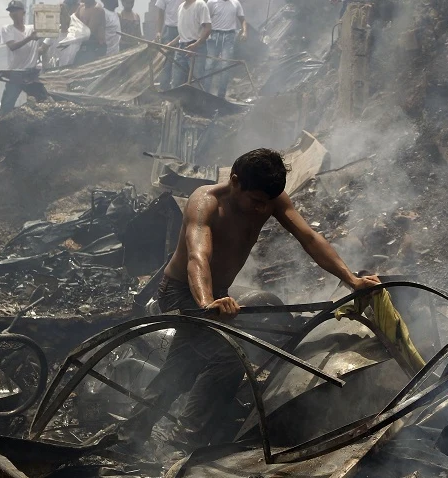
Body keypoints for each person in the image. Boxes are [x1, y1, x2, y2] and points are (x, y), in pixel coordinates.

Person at [116, 148, 380, 455]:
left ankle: (131, 433)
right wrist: (207, 302)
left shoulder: (269, 198)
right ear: (235, 181)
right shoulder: (205, 203)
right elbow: (197, 258)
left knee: (182, 366)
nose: (262, 210)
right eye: (256, 201)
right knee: (227, 356)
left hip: (215, 293)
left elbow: (309, 237)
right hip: (181, 291)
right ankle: (187, 439)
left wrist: (351, 279)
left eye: (268, 203)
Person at [0, 0, 41, 116]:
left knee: (41, 102)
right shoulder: (7, 29)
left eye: (16, 10)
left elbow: (50, 34)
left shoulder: (33, 28)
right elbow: (13, 46)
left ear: (23, 12)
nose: (13, 13)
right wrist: (30, 38)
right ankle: (1, 129)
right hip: (15, 74)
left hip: (32, 73)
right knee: (7, 106)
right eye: (11, 11)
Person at [203, 0, 246, 98]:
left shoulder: (236, 3)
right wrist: (205, 34)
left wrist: (245, 31)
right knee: (209, 65)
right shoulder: (211, 2)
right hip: (213, 36)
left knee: (225, 66)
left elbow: (242, 19)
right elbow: (206, 20)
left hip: (229, 36)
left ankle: (221, 96)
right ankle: (205, 93)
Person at [172, 0, 211, 90]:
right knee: (176, 80)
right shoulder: (180, 7)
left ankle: (196, 103)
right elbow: (184, 32)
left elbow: (208, 28)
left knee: (196, 81)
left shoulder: (200, 5)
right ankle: (177, 103)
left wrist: (195, 45)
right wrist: (171, 43)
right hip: (181, 48)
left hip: (197, 48)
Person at [153, 0, 183, 89]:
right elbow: (160, 13)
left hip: (184, 28)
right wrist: (158, 31)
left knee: (181, 63)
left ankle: (178, 92)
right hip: (169, 30)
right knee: (166, 62)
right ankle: (164, 91)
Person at [75, 0, 106, 64]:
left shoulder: (97, 10)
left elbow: (88, 32)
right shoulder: (80, 7)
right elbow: (72, 23)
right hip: (81, 47)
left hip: (94, 48)